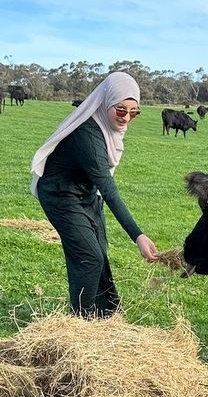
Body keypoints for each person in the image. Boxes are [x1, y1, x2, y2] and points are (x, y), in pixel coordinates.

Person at [30, 71, 158, 318]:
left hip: (87, 192)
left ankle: (105, 314)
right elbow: (108, 188)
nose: (127, 118)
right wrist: (138, 236)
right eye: (121, 110)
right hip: (60, 195)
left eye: (134, 112)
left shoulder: (109, 128)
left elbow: (100, 184)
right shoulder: (88, 135)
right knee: (88, 256)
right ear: (107, 102)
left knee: (99, 250)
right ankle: (81, 321)